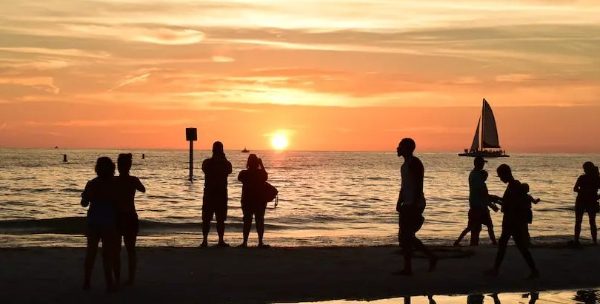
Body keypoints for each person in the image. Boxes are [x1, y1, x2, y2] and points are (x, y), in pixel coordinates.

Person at [486, 164, 539, 278]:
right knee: (514, 246)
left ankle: (496, 270)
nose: (500, 178)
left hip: (512, 221)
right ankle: (533, 270)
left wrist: (497, 199)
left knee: (507, 246)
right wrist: (497, 199)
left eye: (500, 176)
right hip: (512, 221)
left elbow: (511, 204)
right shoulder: (513, 185)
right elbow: (508, 203)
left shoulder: (514, 186)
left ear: (506, 174)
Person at [394, 138, 437, 275]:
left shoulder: (415, 163)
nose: (397, 148)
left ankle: (430, 256)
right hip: (406, 203)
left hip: (414, 203)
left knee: (407, 236)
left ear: (407, 148)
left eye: (400, 146)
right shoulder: (404, 165)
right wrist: (399, 201)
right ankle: (408, 268)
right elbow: (404, 186)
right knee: (405, 237)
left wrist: (413, 204)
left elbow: (419, 185)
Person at [80, 157, 119, 292]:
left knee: (91, 252)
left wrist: (87, 195)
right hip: (109, 221)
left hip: (94, 221)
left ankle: (87, 281)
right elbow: (118, 203)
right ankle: (109, 283)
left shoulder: (92, 184)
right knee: (107, 254)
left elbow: (84, 203)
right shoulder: (114, 184)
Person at [114, 153, 146, 286]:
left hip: (118, 217)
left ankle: (117, 278)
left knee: (116, 250)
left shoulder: (114, 181)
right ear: (129, 166)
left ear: (118, 166)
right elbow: (143, 189)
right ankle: (130, 279)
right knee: (130, 249)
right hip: (129, 216)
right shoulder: (133, 180)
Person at [454, 156, 499, 246]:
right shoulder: (478, 176)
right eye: (482, 163)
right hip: (480, 207)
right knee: (487, 227)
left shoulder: (472, 174)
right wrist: (492, 205)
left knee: (474, 229)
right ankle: (494, 244)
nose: (483, 164)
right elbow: (482, 194)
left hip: (475, 205)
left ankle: (470, 244)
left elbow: (482, 194)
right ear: (478, 164)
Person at [201, 141, 233, 247]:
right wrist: (222, 158)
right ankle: (220, 241)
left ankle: (205, 240)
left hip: (209, 194)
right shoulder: (225, 163)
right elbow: (229, 169)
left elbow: (204, 168)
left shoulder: (207, 162)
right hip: (220, 194)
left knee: (207, 219)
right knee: (220, 219)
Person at [238, 154, 269, 248]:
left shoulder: (243, 173)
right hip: (259, 201)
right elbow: (265, 176)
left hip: (247, 201)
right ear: (257, 163)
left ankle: (245, 242)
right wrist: (261, 164)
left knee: (247, 221)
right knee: (259, 221)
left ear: (248, 163)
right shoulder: (260, 173)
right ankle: (260, 242)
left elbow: (239, 178)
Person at [572, 162, 600, 246]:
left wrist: (585, 192)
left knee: (580, 221)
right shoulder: (596, 178)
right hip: (587, 200)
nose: (584, 170)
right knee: (590, 221)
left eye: (585, 168)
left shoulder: (586, 178)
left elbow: (575, 189)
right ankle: (593, 241)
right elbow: (575, 189)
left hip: (584, 200)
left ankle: (578, 240)